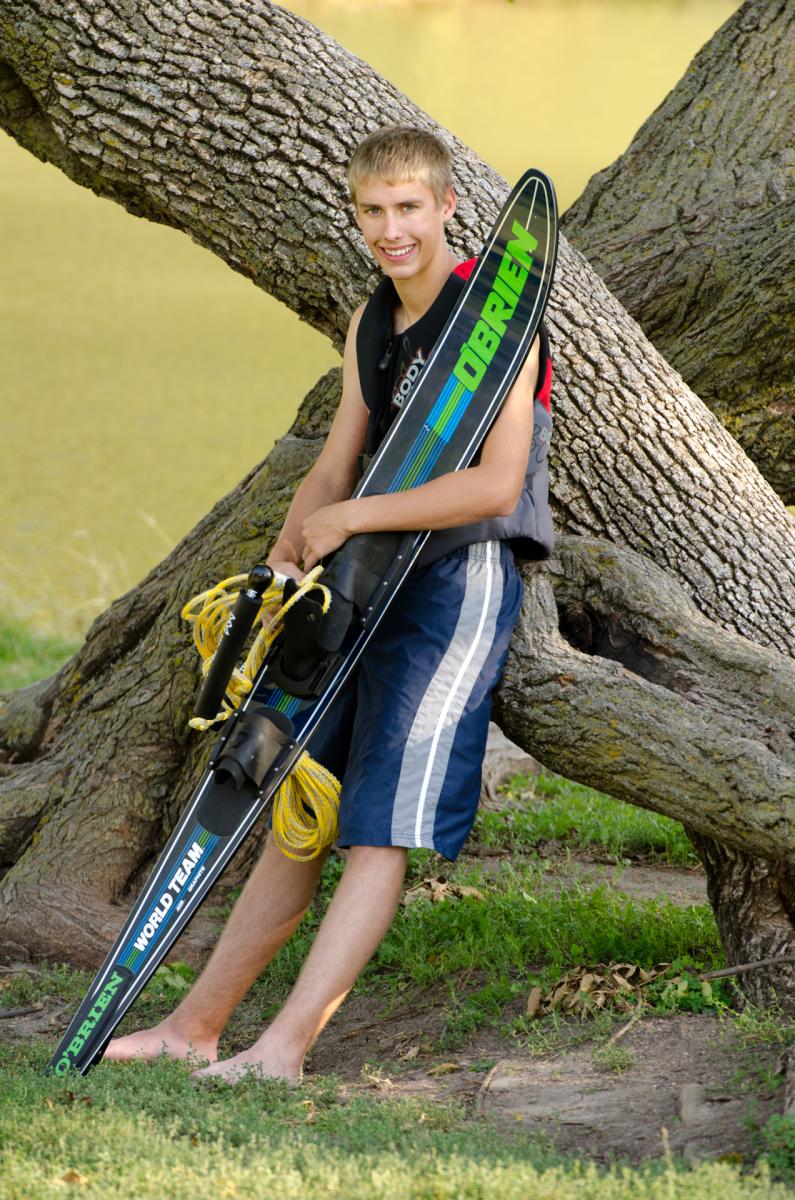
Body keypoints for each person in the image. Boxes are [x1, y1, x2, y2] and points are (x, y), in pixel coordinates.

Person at [105, 126, 554, 1083]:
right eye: (372, 212)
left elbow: (494, 484)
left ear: (445, 209)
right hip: (358, 592)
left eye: (407, 209)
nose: (391, 230)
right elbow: (332, 461)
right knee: (300, 809)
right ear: (355, 218)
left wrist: (352, 518)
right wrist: (279, 576)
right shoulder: (373, 320)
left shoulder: (498, 316)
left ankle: (286, 1048)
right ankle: (195, 1026)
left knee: (381, 824)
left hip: (456, 586)